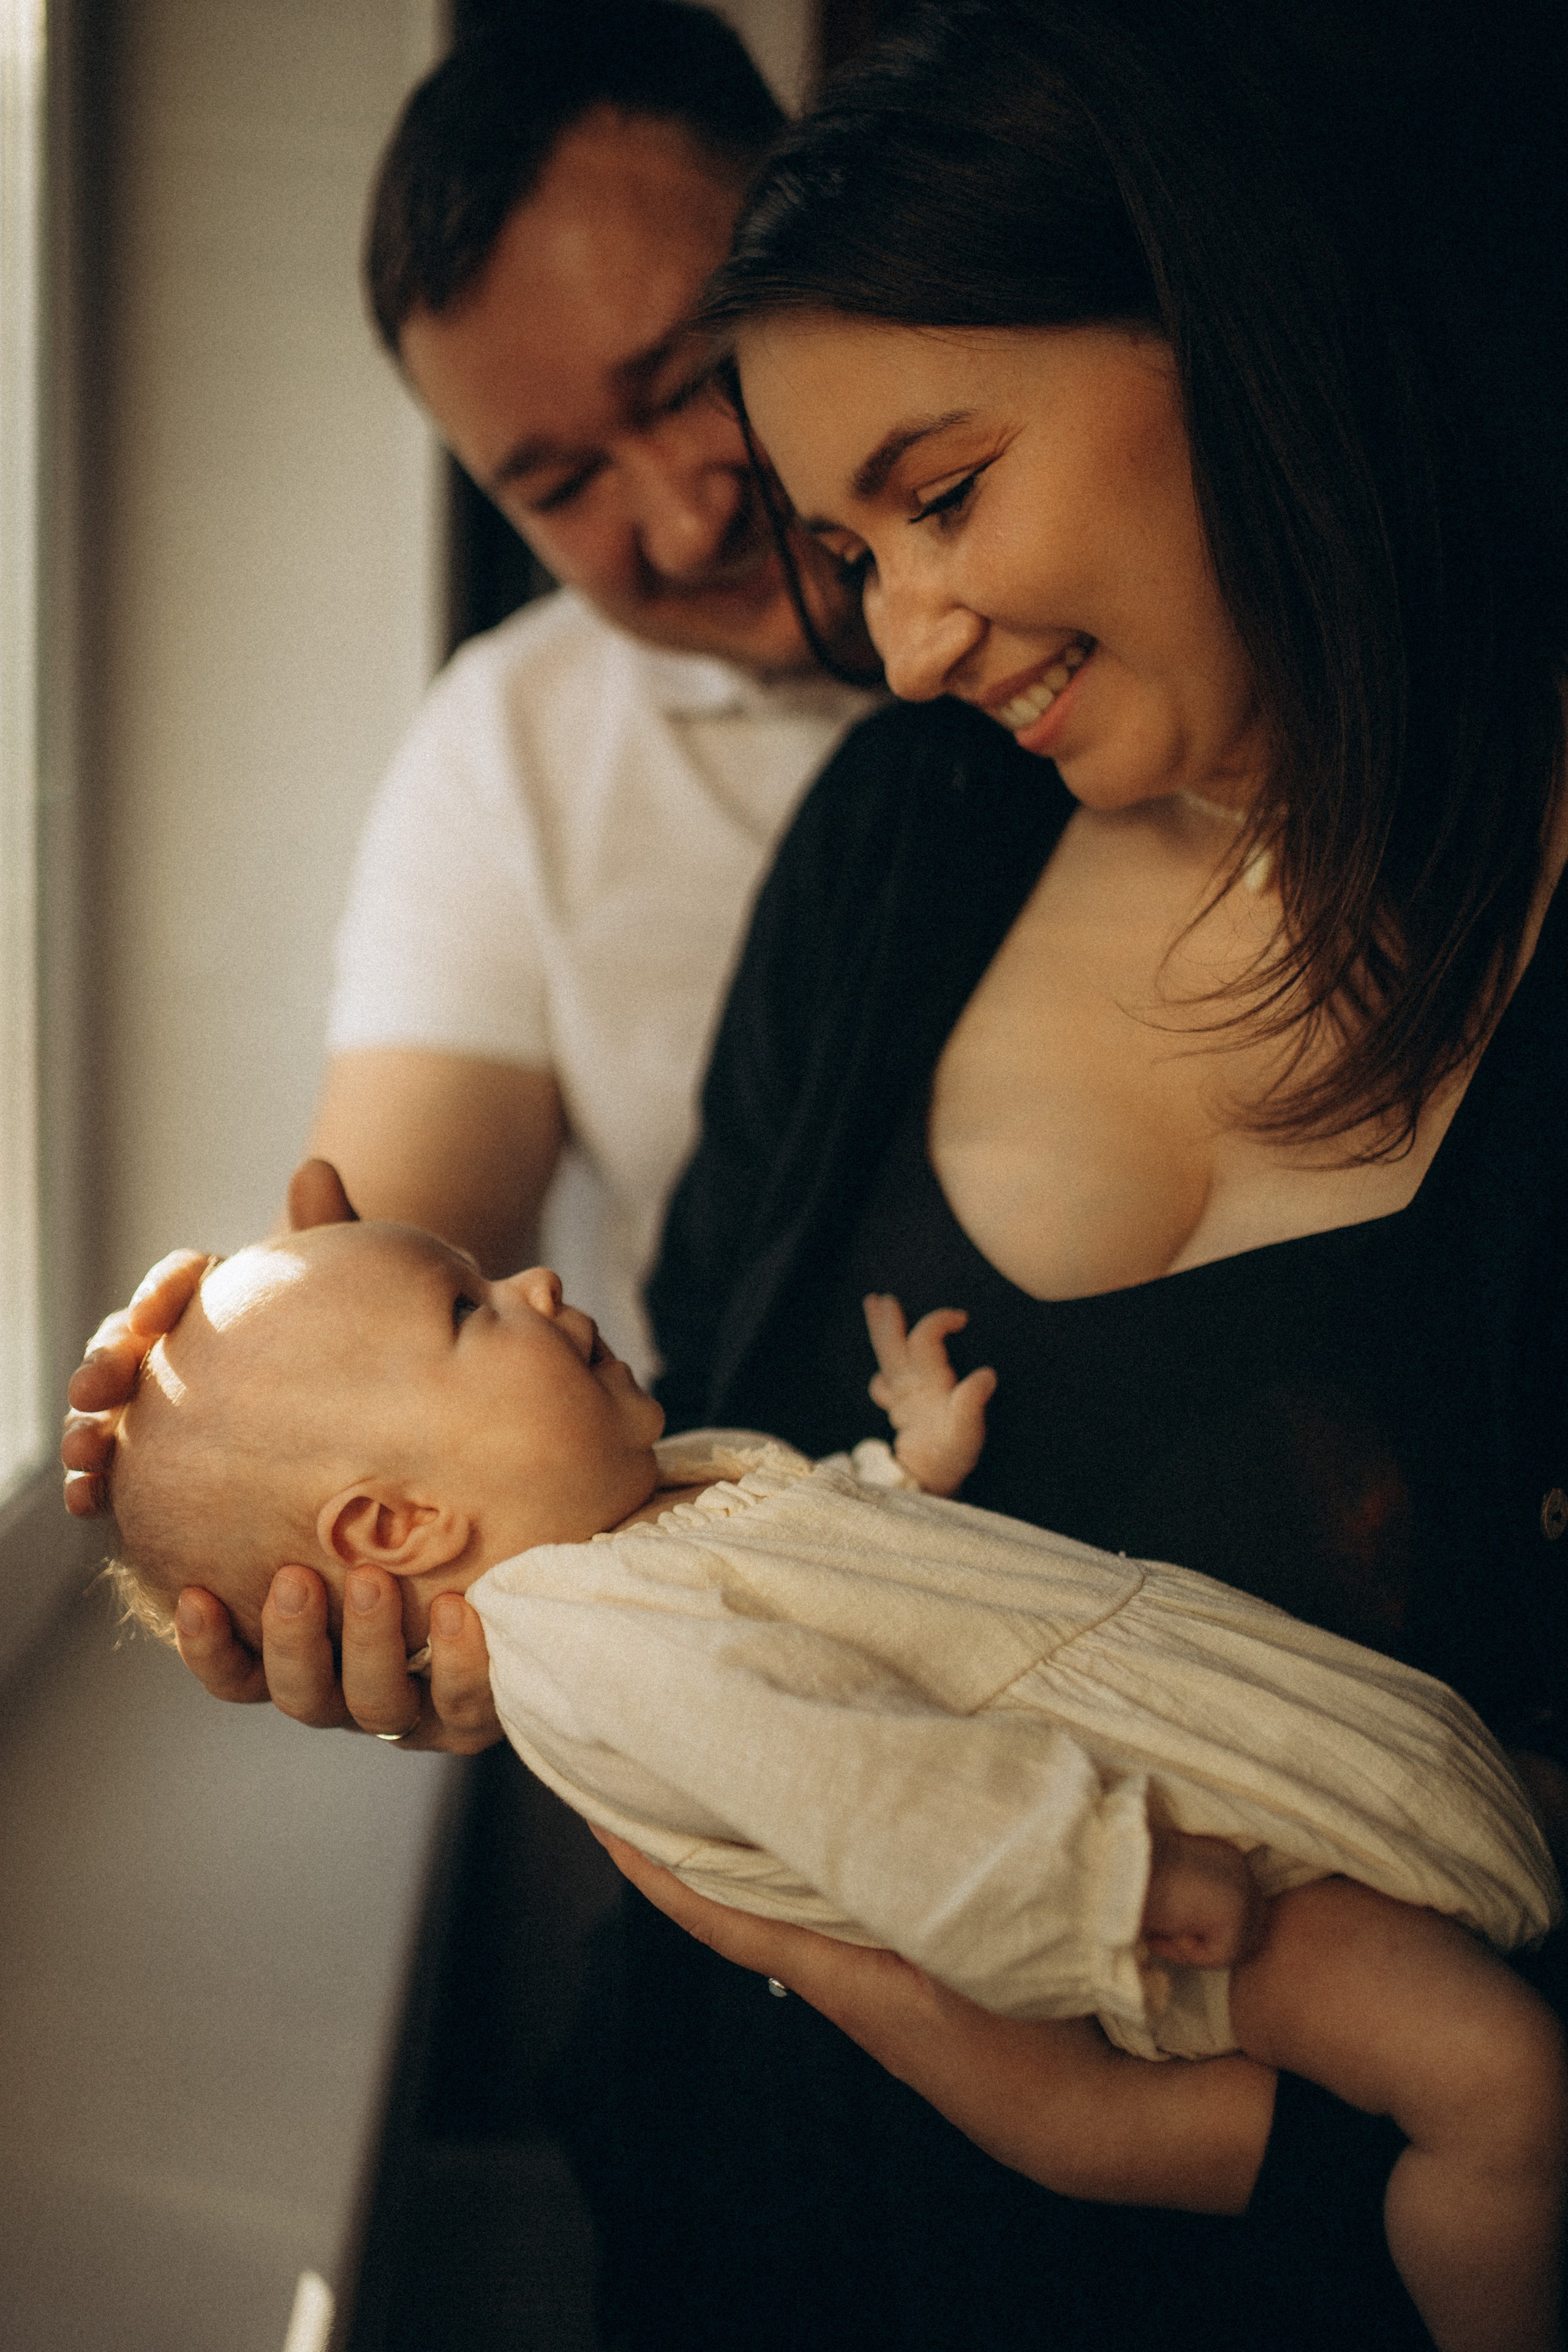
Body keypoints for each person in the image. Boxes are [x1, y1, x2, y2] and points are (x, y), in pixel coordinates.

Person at [588, 2, 1568, 2346]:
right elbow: (687, 1497)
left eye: (943, 494)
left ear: (1239, 327)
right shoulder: (897, 847)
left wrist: (1143, 2131)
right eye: (853, 551)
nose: (910, 645)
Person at [104, 1213, 1564, 2352]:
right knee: (1496, 2084)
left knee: (1481, 1852)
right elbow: (867, 1785)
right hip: (1150, 1869)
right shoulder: (590, 1648)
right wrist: (1107, 1880)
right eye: (470, 1308)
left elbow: (830, 1571)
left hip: (1179, 1752)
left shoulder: (659, 1495)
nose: (544, 1286)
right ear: (402, 1522)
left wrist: (900, 1466)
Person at [62, 2, 873, 1746]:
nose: (677, 516)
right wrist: (248, 1395)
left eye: (694, 378)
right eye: (561, 483)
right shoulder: (511, 747)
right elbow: (393, 1239)